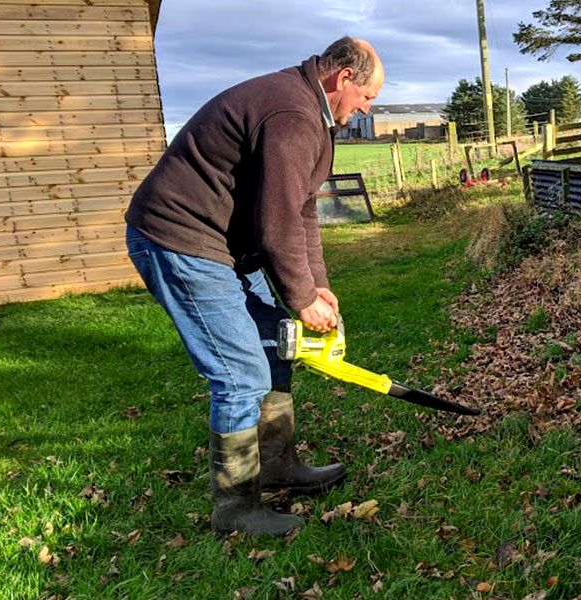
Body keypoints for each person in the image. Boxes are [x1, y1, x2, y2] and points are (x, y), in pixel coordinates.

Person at [124, 37, 385, 536]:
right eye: (367, 97)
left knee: (275, 345)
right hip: (178, 238)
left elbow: (304, 210)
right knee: (240, 372)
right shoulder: (291, 113)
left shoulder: (315, 117)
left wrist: (316, 288)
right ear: (343, 78)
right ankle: (236, 509)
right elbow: (277, 224)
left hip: (218, 243)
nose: (365, 109)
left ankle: (278, 466)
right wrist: (301, 298)